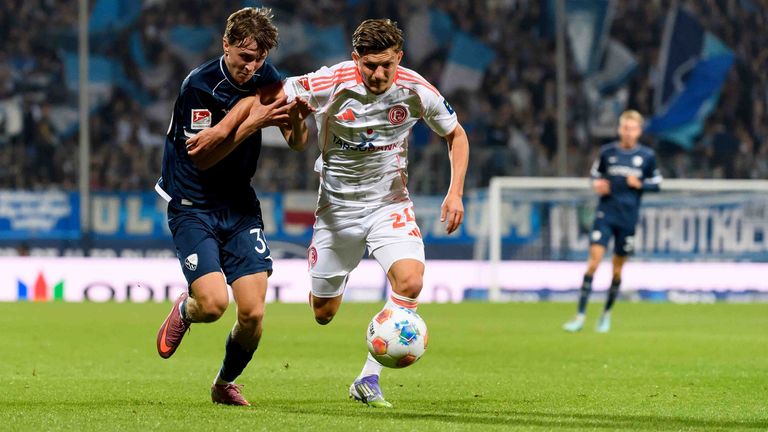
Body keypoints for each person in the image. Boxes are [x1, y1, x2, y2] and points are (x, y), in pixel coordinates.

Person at [186, 18, 469, 408]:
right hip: (337, 212)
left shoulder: (416, 90)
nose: (379, 73)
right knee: (323, 312)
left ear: (398, 58)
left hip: (390, 204)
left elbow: (455, 134)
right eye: (370, 65)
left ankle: (368, 377)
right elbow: (264, 96)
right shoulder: (329, 82)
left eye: (387, 64)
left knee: (410, 281)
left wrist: (454, 193)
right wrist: (222, 131)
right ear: (356, 59)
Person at [154, 7, 311, 406]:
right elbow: (202, 159)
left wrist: (295, 121)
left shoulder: (266, 78)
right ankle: (186, 311)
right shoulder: (199, 87)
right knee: (212, 304)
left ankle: (224, 383)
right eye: (244, 57)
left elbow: (297, 142)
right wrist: (250, 122)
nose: (252, 67)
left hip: (239, 206)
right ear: (226, 45)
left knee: (253, 316)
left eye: (259, 59)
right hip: (193, 205)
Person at [563, 110, 662, 333]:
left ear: (638, 131)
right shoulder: (608, 152)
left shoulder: (646, 156)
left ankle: (606, 314)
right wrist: (597, 184)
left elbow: (657, 182)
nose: (628, 132)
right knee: (594, 261)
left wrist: (641, 184)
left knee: (617, 271)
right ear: (619, 129)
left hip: (628, 219)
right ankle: (579, 316)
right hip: (605, 214)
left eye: (632, 128)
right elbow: (595, 175)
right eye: (625, 128)